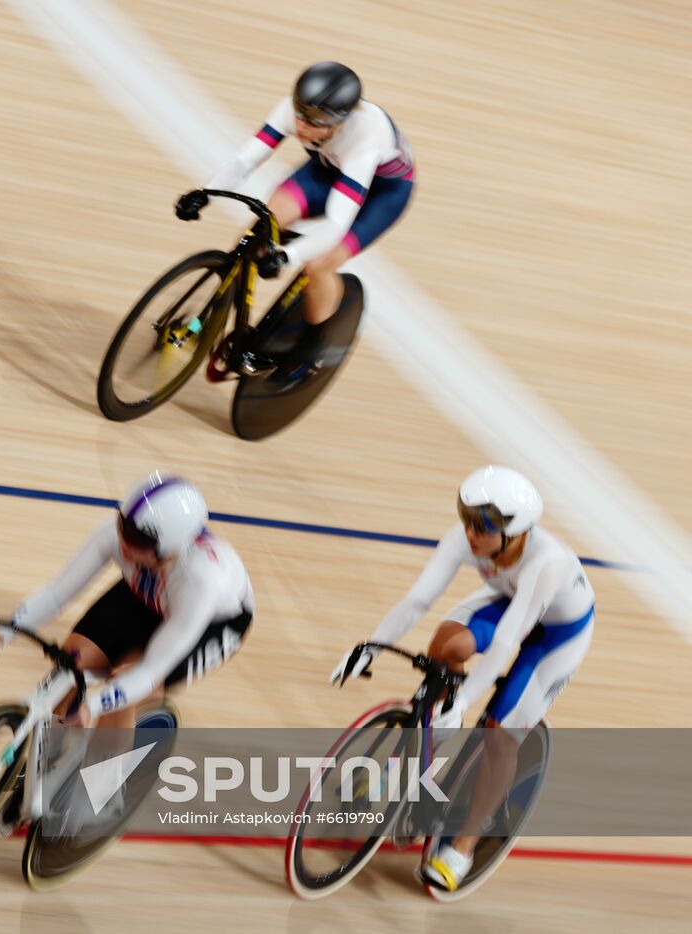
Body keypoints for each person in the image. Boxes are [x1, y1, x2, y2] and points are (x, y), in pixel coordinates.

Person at [330, 465, 595, 891]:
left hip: (556, 638)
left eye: (484, 525)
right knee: (446, 648)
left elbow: (509, 642)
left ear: (516, 532)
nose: (472, 533)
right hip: (509, 601)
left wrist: (465, 701)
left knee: (500, 733)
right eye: (467, 518)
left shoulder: (547, 563)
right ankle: (410, 768)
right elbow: (418, 599)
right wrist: (369, 647)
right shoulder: (466, 539)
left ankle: (463, 848)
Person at [0, 471, 255, 834]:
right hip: (146, 596)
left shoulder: (202, 580)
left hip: (211, 624)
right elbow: (57, 594)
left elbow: (151, 669)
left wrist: (97, 703)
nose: (123, 541)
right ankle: (51, 764)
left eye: (136, 539)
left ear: (169, 548)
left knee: (124, 686)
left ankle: (103, 791)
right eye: (124, 526)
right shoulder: (118, 534)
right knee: (71, 665)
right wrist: (8, 630)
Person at [175, 62, 415, 373]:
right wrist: (205, 193)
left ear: (339, 122)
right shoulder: (295, 110)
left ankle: (314, 347)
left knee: (317, 265)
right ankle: (206, 324)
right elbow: (245, 160)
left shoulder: (365, 139)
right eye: (300, 113)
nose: (301, 125)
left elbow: (336, 224)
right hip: (326, 172)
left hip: (381, 196)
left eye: (314, 121)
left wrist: (287, 256)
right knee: (259, 232)